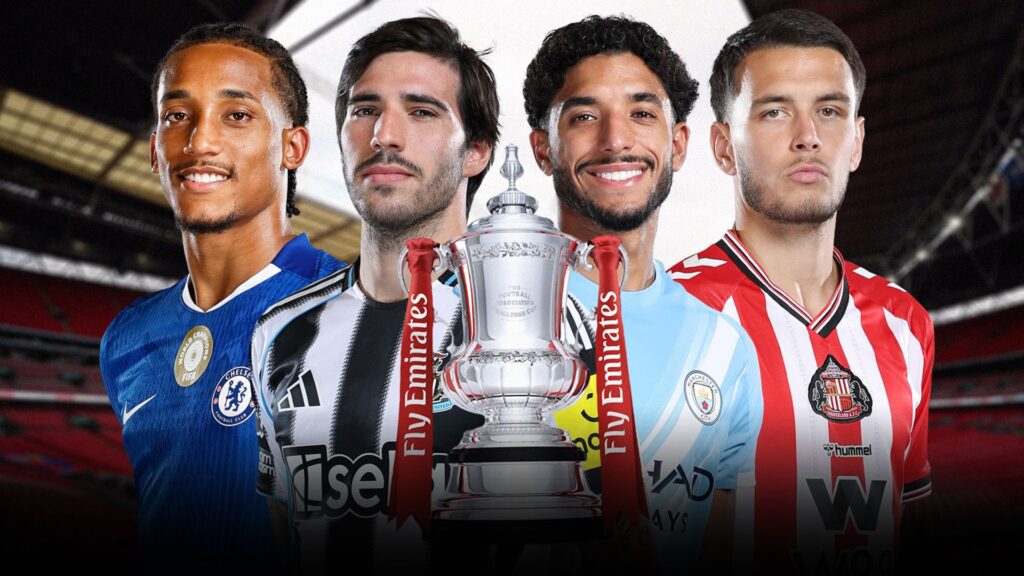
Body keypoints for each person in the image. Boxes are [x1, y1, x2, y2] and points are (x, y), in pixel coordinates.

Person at [668, 9, 933, 574]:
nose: (808, 137)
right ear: (722, 146)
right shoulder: (672, 312)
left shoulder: (905, 323)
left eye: (830, 111)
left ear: (856, 142)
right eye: (774, 111)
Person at [250, 16, 498, 573]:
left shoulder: (553, 331)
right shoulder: (279, 334)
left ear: (476, 151)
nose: (385, 134)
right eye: (364, 110)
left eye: (422, 111)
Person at [99, 23, 344, 571]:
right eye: (176, 116)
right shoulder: (126, 338)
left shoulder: (353, 312)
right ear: (156, 152)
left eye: (236, 115)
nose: (199, 141)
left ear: (292, 146)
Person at [523, 15, 763, 571]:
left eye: (642, 113)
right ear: (543, 149)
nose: (615, 140)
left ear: (677, 144)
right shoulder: (467, 320)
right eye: (584, 116)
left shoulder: (723, 348)